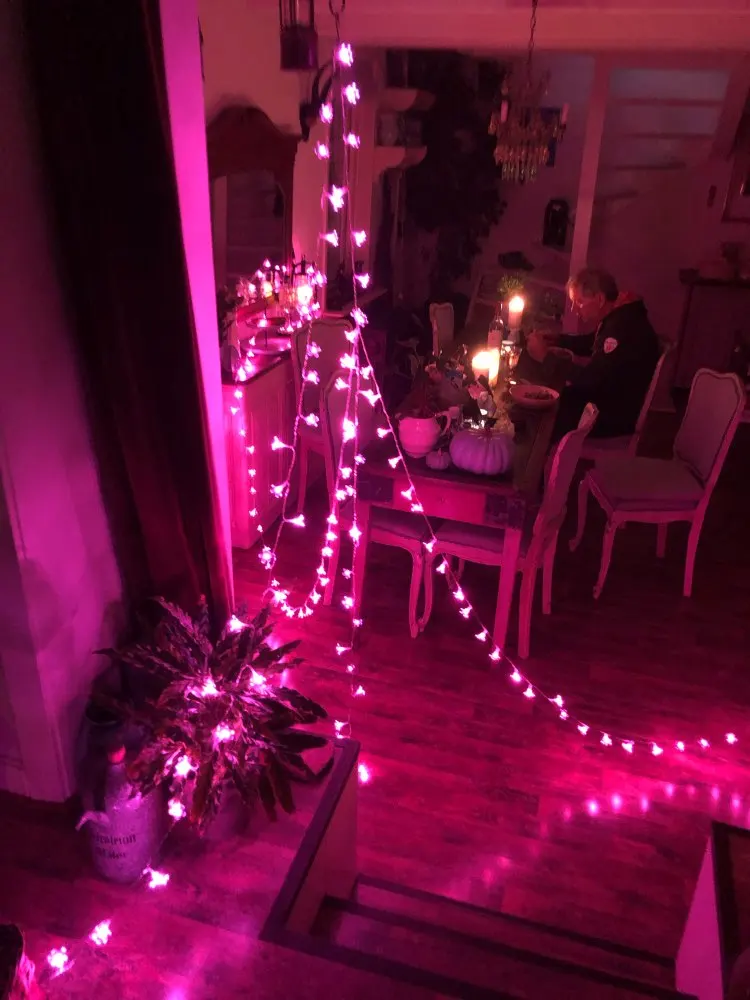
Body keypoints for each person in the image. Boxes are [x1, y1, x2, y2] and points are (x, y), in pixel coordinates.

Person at [526, 268, 661, 441]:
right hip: (611, 398)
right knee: (553, 396)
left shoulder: (620, 328)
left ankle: (542, 455)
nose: (574, 309)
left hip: (614, 413)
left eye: (579, 302)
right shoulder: (621, 314)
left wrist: (546, 357)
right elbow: (594, 342)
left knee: (545, 411)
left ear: (600, 299)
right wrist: (558, 339)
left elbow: (590, 379)